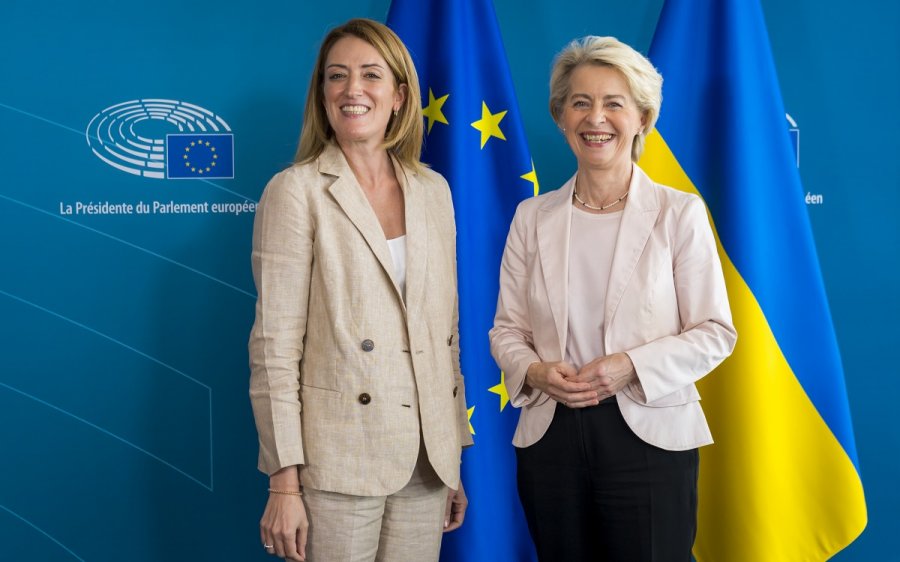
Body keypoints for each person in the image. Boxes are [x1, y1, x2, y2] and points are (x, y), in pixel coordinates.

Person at [489, 36, 737, 562]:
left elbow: (715, 332)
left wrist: (630, 366)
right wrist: (534, 372)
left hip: (650, 437)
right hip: (551, 438)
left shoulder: (679, 213)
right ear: (561, 117)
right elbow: (507, 330)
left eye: (613, 103)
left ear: (642, 118)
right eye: (580, 102)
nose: (595, 118)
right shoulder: (531, 218)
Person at [248, 18, 471, 562]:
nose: (352, 89)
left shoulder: (434, 191)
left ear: (399, 96)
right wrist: (284, 483)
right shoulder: (295, 191)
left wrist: (453, 457)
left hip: (427, 462)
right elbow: (275, 347)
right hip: (338, 460)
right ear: (322, 93)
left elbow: (444, 335)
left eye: (371, 75)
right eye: (337, 75)